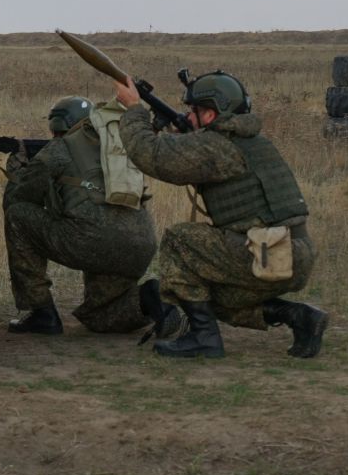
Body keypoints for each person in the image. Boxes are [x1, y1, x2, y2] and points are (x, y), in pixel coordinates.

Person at [114, 71, 328, 359]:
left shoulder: (217, 147)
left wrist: (134, 110)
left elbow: (150, 155)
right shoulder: (252, 142)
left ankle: (204, 338)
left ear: (212, 115)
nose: (189, 117)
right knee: (208, 297)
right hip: (290, 252)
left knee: (180, 239)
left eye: (195, 111)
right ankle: (299, 317)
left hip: (267, 252)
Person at [3, 96, 178, 336]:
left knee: (17, 217)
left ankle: (41, 312)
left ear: (58, 125)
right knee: (101, 316)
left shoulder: (60, 148)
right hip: (140, 244)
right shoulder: (119, 145)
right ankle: (152, 298)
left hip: (91, 240)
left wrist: (16, 170)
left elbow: (18, 199)